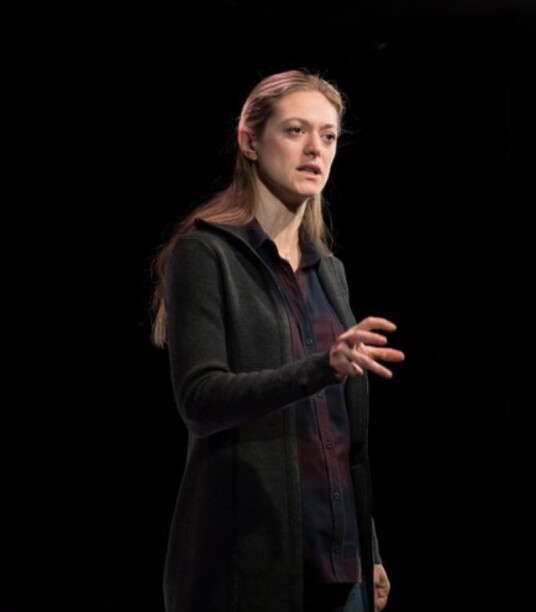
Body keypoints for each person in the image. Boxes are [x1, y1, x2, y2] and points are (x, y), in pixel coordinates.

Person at [150, 69, 404, 612]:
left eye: (329, 135)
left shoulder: (328, 271)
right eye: (295, 131)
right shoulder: (206, 253)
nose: (316, 149)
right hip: (248, 566)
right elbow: (201, 399)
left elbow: (341, 438)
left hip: (340, 567)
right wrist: (323, 366)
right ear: (249, 140)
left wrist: (369, 546)